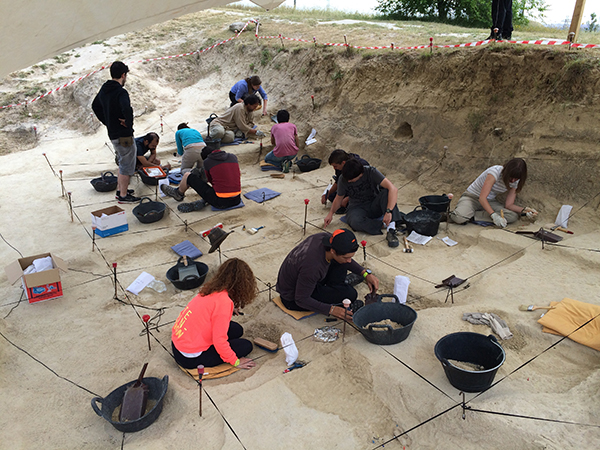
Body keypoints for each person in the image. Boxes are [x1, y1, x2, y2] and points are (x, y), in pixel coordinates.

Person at [171, 258, 257, 369]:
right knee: (246, 346)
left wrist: (230, 310)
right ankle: (211, 352)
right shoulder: (224, 303)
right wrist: (235, 361)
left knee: (237, 330)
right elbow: (219, 340)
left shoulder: (211, 289)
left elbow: (210, 312)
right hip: (189, 358)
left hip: (178, 343)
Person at [276, 229, 379, 321]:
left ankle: (338, 287)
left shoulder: (325, 239)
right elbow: (301, 299)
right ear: (333, 251)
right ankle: (339, 289)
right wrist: (331, 310)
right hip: (292, 298)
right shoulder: (313, 266)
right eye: (346, 257)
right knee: (350, 294)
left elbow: (346, 259)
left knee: (341, 263)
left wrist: (365, 273)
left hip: (306, 280)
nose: (349, 260)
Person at [324, 159, 403, 248]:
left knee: (387, 192)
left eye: (351, 179)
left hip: (374, 204)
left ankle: (391, 229)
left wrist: (388, 211)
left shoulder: (371, 171)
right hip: (357, 207)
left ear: (360, 174)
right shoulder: (343, 179)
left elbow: (393, 189)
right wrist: (330, 213)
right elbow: (339, 198)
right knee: (354, 221)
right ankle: (384, 224)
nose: (349, 181)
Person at [91, 61, 140, 203]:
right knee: (127, 164)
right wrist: (128, 124)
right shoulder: (121, 92)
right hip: (123, 134)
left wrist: (107, 121)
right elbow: (127, 109)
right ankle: (123, 196)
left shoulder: (104, 89)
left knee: (122, 160)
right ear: (123, 75)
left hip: (112, 132)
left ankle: (120, 190)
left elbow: (95, 106)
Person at [449, 158, 537, 228]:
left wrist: (524, 210)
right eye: (511, 177)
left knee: (512, 216)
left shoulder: (516, 182)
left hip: (490, 201)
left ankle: (471, 215)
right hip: (472, 197)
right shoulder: (495, 172)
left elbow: (509, 205)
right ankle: (463, 214)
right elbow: (482, 198)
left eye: (516, 178)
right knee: (459, 218)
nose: (513, 180)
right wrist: (494, 215)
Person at [161, 143, 241, 213]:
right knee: (220, 185)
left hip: (220, 202)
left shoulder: (208, 162)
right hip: (237, 199)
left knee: (189, 176)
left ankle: (178, 193)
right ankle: (204, 201)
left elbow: (209, 180)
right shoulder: (233, 157)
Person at [321, 149, 370, 214]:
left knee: (351, 203)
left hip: (362, 190)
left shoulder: (360, 166)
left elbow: (366, 187)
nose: (334, 168)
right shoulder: (340, 168)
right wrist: (328, 193)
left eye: (335, 166)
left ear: (343, 163)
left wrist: (348, 198)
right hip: (350, 188)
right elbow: (338, 181)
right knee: (332, 196)